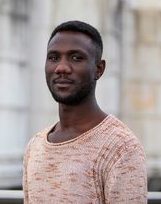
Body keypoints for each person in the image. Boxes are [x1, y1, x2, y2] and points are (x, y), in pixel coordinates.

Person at [23, 20, 147, 203]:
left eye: (76, 58)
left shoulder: (121, 147)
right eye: (54, 57)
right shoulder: (35, 146)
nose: (61, 68)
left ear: (99, 69)